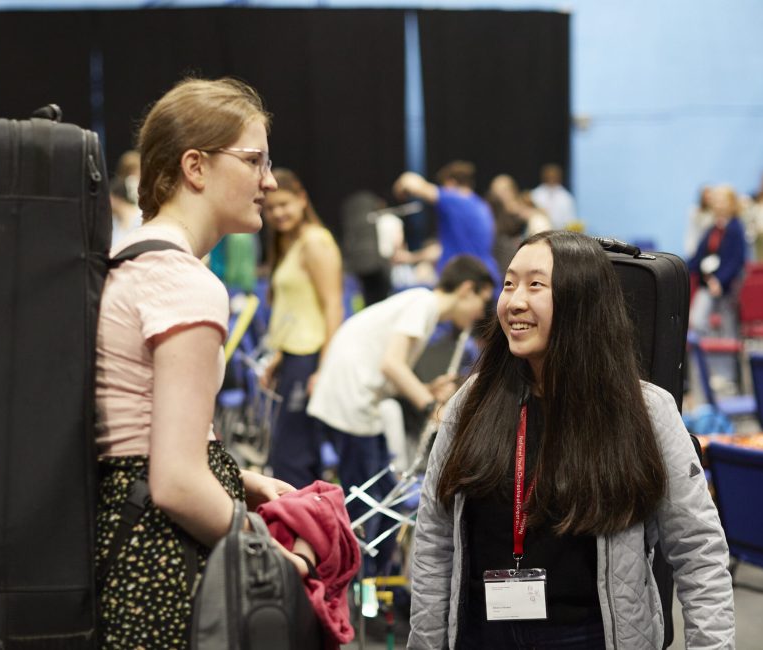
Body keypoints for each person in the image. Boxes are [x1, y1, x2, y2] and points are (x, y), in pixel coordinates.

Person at [409, 230, 734, 649]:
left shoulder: (645, 411)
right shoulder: (471, 402)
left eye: (535, 285)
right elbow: (435, 540)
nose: (515, 301)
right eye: (509, 284)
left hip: (591, 636)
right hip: (482, 633)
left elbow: (698, 550)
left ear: (580, 301)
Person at [94, 77, 315, 649]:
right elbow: (173, 481)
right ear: (195, 166)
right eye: (254, 161)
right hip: (161, 558)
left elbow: (138, 437)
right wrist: (263, 553)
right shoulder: (185, 284)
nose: (268, 180)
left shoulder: (130, 260)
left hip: (128, 541)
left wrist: (238, 480)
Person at [307, 255, 495, 574]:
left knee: (385, 496)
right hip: (351, 402)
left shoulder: (421, 306)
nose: (480, 312)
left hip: (359, 402)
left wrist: (426, 388)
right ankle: (358, 582)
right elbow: (391, 365)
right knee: (367, 504)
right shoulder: (423, 305)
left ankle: (374, 580)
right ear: (466, 289)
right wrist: (430, 406)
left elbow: (389, 365)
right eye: (481, 301)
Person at [261, 167, 343, 488]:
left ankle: (299, 532)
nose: (277, 213)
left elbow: (333, 306)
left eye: (284, 204)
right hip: (294, 359)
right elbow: (298, 311)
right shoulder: (289, 245)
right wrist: (279, 359)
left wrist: (324, 368)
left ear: (302, 199)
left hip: (311, 360)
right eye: (270, 207)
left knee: (292, 458)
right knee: (290, 455)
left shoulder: (315, 242)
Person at [393, 161, 499, 284]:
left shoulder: (455, 200)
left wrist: (400, 187)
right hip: (482, 279)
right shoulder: (481, 206)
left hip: (465, 282)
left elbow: (410, 182)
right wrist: (410, 258)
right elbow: (442, 249)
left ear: (450, 183)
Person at [689, 185, 747, 339]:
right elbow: (699, 257)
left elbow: (736, 260)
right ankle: (707, 355)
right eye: (716, 201)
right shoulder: (712, 227)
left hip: (726, 287)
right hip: (708, 283)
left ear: (731, 203)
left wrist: (719, 280)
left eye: (722, 201)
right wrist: (680, 268)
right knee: (698, 321)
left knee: (727, 329)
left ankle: (726, 361)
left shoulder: (736, 228)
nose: (717, 204)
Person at [529, 163, 577, 229]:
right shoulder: (535, 194)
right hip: (540, 231)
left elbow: (570, 221)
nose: (551, 178)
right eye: (549, 175)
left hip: (559, 233)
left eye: (554, 176)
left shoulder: (566, 197)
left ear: (559, 177)